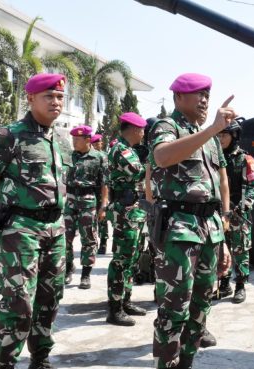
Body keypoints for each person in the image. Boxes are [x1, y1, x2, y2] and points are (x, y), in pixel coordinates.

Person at [0, 72, 68, 369]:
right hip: (21, 230)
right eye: (49, 96)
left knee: (49, 299)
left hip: (55, 229)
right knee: (18, 303)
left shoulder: (60, 139)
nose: (56, 102)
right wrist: (7, 222)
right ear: (30, 98)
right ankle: (6, 363)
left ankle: (40, 359)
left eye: (60, 97)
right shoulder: (8, 136)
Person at [149, 73, 235, 369]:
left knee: (200, 309)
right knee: (174, 311)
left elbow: (220, 182)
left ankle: (185, 363)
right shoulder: (166, 126)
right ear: (177, 98)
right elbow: (161, 157)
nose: (204, 100)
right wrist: (212, 129)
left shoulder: (209, 137)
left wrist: (223, 236)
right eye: (196, 93)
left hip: (209, 229)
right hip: (178, 228)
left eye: (207, 95)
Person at [105, 112, 149, 326]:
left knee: (132, 257)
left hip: (133, 209)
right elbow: (139, 172)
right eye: (141, 129)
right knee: (122, 259)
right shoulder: (121, 150)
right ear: (133, 129)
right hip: (125, 210)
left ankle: (126, 300)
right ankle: (114, 309)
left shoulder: (129, 149)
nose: (143, 133)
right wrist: (157, 161)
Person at [214, 117, 254, 304]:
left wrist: (243, 207)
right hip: (218, 213)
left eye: (224, 134)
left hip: (238, 214)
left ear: (234, 135)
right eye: (218, 134)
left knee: (240, 249)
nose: (221, 138)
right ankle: (224, 285)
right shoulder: (214, 158)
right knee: (220, 250)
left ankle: (240, 285)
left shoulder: (246, 159)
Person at [64, 125, 108, 288]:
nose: (74, 142)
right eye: (73, 139)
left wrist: (103, 205)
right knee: (65, 238)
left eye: (77, 139)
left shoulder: (99, 157)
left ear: (88, 140)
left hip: (88, 200)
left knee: (88, 238)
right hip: (69, 200)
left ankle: (85, 275)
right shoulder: (69, 156)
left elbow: (104, 183)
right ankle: (68, 268)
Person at [91, 133, 110, 255]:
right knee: (92, 219)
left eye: (100, 142)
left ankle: (103, 243)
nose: (99, 144)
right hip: (91, 191)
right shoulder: (89, 156)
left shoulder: (105, 156)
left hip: (102, 190)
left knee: (103, 218)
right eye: (96, 143)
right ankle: (93, 242)